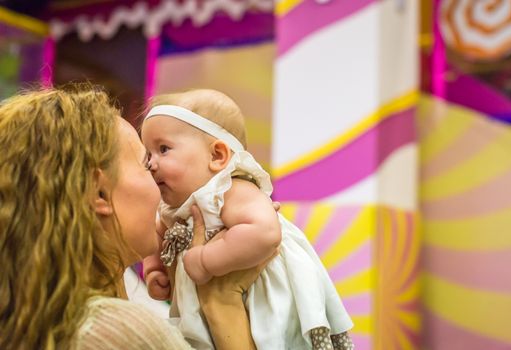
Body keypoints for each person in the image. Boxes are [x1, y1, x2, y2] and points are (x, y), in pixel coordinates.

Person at [141, 89, 355, 350]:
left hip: (262, 299)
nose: (151, 163)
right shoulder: (172, 207)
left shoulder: (231, 190)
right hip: (211, 311)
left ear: (217, 156)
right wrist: (153, 270)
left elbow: (265, 232)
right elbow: (156, 235)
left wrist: (205, 261)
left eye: (163, 149)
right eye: (147, 154)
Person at [0, 87, 198, 349]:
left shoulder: (43, 321)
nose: (159, 185)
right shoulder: (117, 331)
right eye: (145, 164)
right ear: (99, 193)